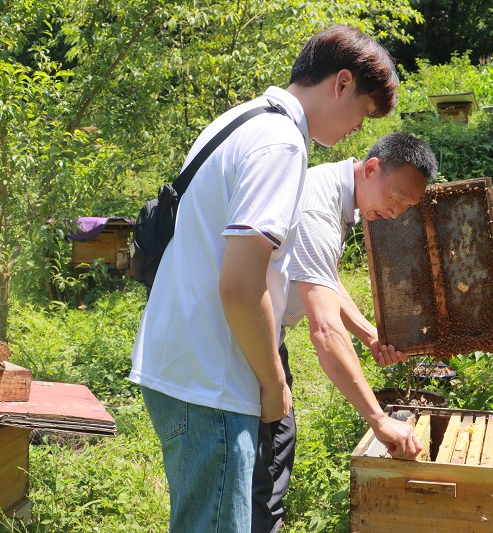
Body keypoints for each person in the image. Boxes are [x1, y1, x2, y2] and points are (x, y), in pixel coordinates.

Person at [129, 26, 415, 533]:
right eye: (364, 112)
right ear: (342, 83)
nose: (358, 128)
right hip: (211, 380)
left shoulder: (241, 119)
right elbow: (240, 284)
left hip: (182, 363)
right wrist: (274, 383)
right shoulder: (283, 143)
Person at [252, 132, 438, 533]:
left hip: (267, 337)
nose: (396, 214)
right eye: (396, 200)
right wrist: (378, 419)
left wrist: (370, 334)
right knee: (256, 465)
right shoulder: (318, 208)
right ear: (371, 169)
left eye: (407, 207)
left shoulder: (335, 197)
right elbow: (324, 330)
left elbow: (327, 279)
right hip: (241, 343)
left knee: (278, 441)